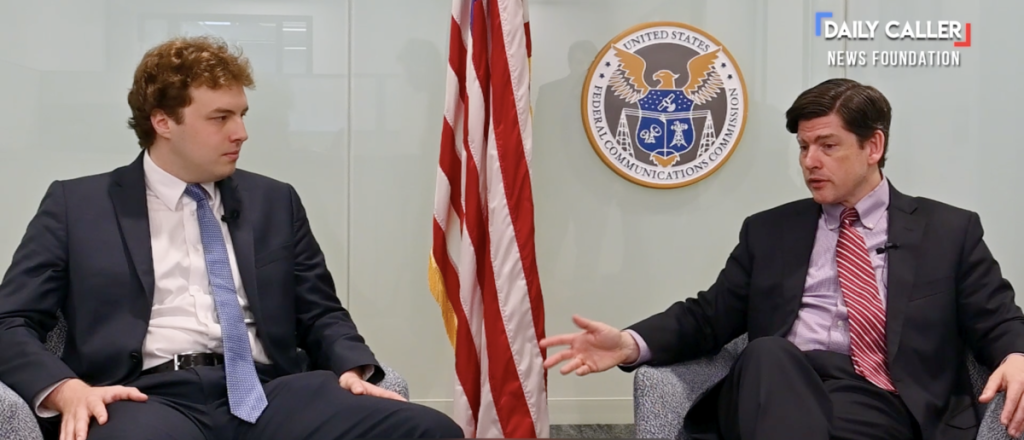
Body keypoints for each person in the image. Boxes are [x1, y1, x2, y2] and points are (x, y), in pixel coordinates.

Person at [0, 36, 463, 440]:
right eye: (220, 118)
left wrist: (352, 366)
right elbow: (11, 321)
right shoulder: (78, 205)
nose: (241, 133)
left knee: (431, 430)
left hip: (271, 392)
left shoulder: (274, 201)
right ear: (163, 122)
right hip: (143, 396)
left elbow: (320, 311)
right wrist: (65, 389)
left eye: (241, 115)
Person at [540, 78, 1024, 440]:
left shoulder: (947, 231)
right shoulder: (770, 231)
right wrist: (630, 343)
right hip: (768, 384)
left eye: (827, 146)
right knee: (769, 353)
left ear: (873, 146)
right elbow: (709, 316)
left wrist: (1018, 355)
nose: (810, 161)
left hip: (875, 400)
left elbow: (998, 317)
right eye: (804, 147)